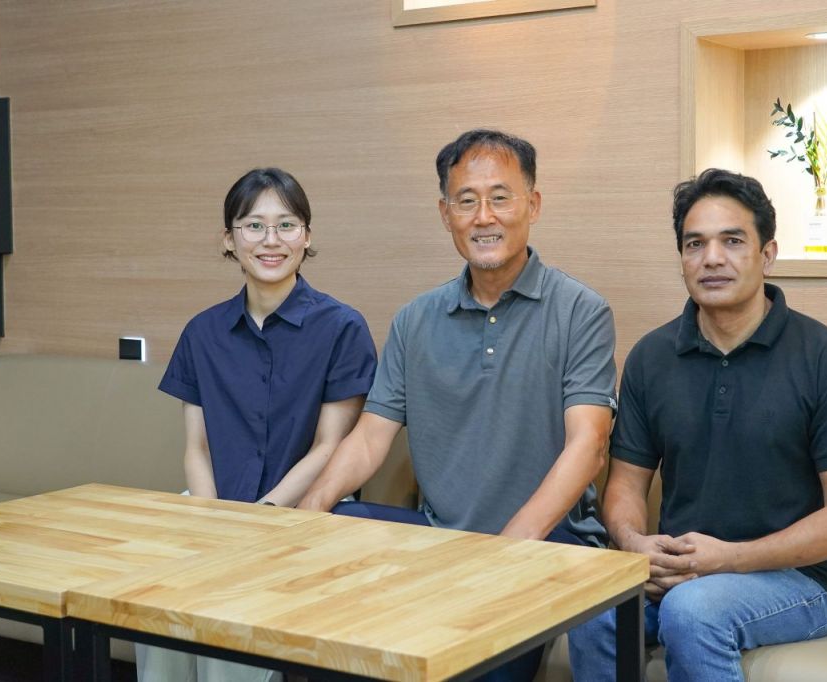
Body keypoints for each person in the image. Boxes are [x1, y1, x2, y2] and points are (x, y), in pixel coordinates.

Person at [299, 129, 617, 680]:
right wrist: (311, 509)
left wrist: (503, 554)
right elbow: (371, 437)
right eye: (466, 200)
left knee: (474, 661)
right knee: (334, 537)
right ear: (446, 214)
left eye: (501, 197)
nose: (483, 217)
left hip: (547, 544)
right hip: (440, 537)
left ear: (533, 205)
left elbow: (588, 446)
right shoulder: (414, 319)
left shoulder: (580, 310)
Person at [569, 168, 827, 682]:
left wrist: (728, 559)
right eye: (695, 244)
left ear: (767, 254)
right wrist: (635, 544)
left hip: (796, 582)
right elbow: (625, 484)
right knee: (588, 604)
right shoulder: (651, 357)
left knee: (692, 610)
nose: (712, 258)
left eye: (732, 241)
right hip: (680, 574)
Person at [139, 167, 377, 682]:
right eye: (253, 226)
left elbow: (329, 447)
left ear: (306, 236)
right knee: (152, 601)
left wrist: (261, 518)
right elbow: (197, 449)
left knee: (231, 620)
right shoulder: (202, 331)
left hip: (304, 514)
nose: (271, 240)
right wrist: (213, 520)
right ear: (229, 240)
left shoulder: (342, 327)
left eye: (286, 225)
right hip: (211, 507)